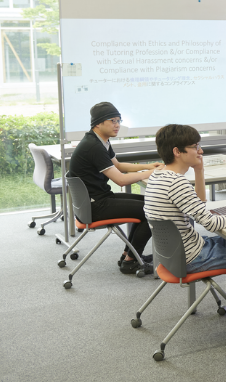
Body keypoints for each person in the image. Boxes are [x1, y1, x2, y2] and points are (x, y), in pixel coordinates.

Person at [143, 124, 226, 314]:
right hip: (193, 258)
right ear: (177, 151)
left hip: (175, 254)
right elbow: (211, 224)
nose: (200, 151)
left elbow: (198, 204)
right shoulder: (176, 183)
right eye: (195, 147)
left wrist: (199, 170)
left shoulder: (158, 176)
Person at [68, 102, 161, 275]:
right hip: (95, 206)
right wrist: (149, 174)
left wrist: (148, 167)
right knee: (153, 208)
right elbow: (121, 180)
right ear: (98, 123)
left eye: (119, 120)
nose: (118, 125)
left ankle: (130, 255)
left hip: (97, 199)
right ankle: (131, 261)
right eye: (113, 121)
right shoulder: (93, 146)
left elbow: (117, 165)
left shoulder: (100, 140)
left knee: (148, 203)